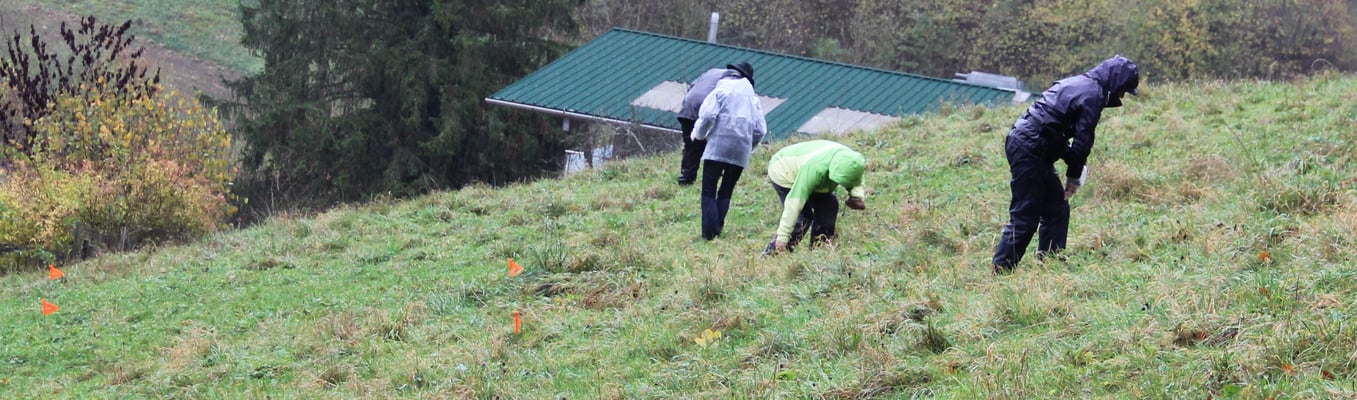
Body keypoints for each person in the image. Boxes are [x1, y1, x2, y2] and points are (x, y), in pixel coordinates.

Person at [992, 55, 1140, 273]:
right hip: (1030, 148)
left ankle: (1050, 267)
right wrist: (1074, 177)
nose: (1122, 96)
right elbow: (1082, 142)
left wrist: (1072, 164)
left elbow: (1052, 130)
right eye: (1123, 90)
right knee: (1026, 214)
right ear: (1116, 82)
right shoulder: (1093, 95)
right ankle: (1001, 271)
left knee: (1057, 209)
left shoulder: (1077, 83)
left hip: (1031, 143)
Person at [691, 62, 764, 240]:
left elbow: (707, 115)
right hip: (741, 150)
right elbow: (761, 130)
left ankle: (709, 234)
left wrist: (698, 135)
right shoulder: (753, 99)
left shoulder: (720, 91)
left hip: (718, 145)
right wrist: (749, 147)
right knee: (726, 190)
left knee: (708, 190)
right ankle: (718, 229)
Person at [762, 140, 867, 254]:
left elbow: (856, 178)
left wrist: (856, 196)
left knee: (829, 206)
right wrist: (783, 236)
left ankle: (819, 251)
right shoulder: (815, 168)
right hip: (784, 171)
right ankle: (776, 252)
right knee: (802, 217)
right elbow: (795, 202)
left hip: (817, 177)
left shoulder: (853, 161)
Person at [675, 66, 730, 185]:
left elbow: (692, 87)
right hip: (706, 110)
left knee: (691, 145)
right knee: (714, 145)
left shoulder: (710, 72)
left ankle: (686, 178)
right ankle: (713, 177)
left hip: (687, 109)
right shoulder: (731, 81)